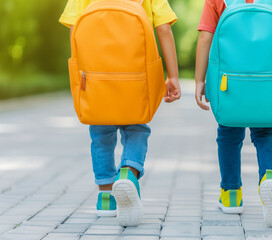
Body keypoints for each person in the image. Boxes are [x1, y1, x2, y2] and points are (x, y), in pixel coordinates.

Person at [59, 0, 181, 226]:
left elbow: (75, 29)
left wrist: (80, 74)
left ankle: (105, 196)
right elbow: (163, 28)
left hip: (96, 76)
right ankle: (128, 172)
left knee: (100, 132)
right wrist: (172, 75)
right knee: (137, 128)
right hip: (136, 76)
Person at [195, 0, 272, 227]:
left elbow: (206, 36)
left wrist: (199, 79)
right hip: (268, 82)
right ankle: (271, 176)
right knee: (267, 131)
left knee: (228, 133)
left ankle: (231, 193)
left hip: (231, 84)